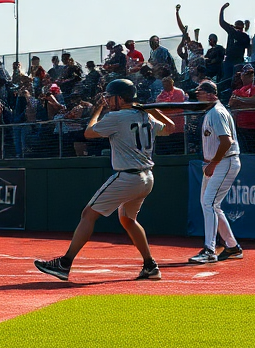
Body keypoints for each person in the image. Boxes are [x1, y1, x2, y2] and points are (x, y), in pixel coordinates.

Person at [33, 79, 178, 282]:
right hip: (146, 178)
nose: (108, 101)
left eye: (111, 97)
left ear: (120, 98)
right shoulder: (145, 115)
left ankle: (64, 264)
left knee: (88, 214)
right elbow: (171, 128)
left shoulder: (116, 117)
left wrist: (97, 111)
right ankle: (150, 266)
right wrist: (153, 111)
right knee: (128, 220)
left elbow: (88, 132)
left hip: (128, 177)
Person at [189, 80, 242, 264]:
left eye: (200, 92)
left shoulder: (217, 112)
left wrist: (213, 163)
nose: (197, 95)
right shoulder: (211, 112)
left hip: (225, 161)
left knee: (209, 203)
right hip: (217, 162)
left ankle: (210, 250)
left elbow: (226, 142)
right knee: (211, 204)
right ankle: (232, 246)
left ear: (211, 94)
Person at [228, 64, 255, 154]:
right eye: (246, 74)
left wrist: (239, 100)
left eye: (250, 74)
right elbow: (232, 104)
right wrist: (245, 103)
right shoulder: (238, 90)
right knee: (243, 151)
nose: (248, 76)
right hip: (241, 125)